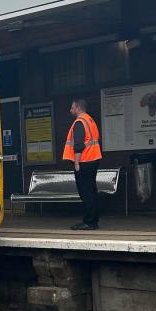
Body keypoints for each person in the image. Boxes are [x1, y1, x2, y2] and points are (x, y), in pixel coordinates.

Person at [62, 98, 102, 230]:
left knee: (86, 193)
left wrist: (77, 162)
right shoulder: (90, 120)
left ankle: (89, 222)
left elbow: (78, 145)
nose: (70, 110)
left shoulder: (79, 122)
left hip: (84, 161)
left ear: (78, 108)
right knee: (92, 191)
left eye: (72, 107)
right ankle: (93, 220)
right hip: (94, 159)